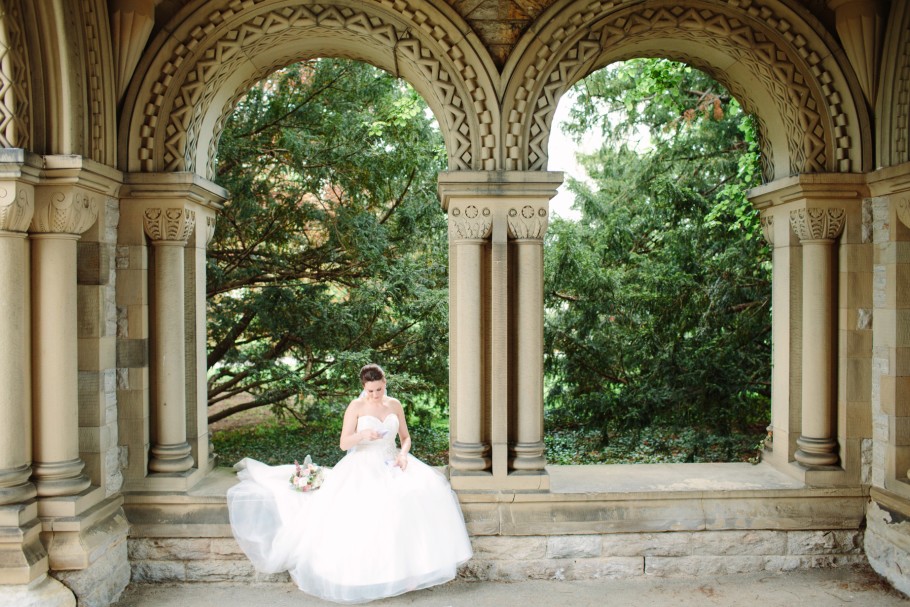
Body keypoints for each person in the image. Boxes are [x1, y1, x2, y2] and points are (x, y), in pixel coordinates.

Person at [226, 363, 473, 604]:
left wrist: (403, 455)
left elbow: (405, 438)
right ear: (364, 388)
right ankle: (372, 574)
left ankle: (409, 572)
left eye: (379, 389)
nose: (376, 395)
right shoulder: (356, 406)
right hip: (363, 464)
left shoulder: (394, 404)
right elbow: (344, 443)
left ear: (385, 383)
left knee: (415, 497)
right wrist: (362, 435)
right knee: (368, 511)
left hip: (392, 461)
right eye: (371, 390)